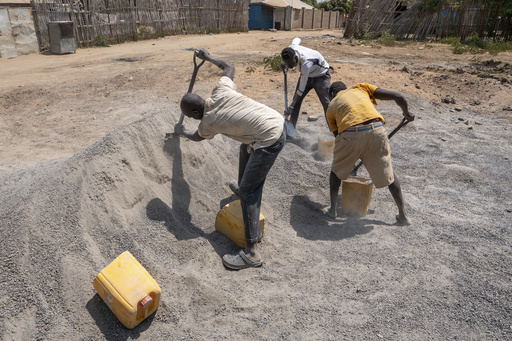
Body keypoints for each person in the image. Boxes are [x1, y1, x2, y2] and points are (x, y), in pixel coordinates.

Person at [175, 49, 285, 270]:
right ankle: (241, 186)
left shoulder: (208, 123)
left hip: (269, 139)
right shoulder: (220, 90)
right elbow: (229, 67)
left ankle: (251, 253)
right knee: (245, 148)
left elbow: (197, 136)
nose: (192, 120)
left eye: (190, 117)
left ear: (195, 115)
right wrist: (208, 58)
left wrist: (182, 132)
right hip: (274, 120)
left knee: (249, 191)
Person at [325, 81, 415, 225]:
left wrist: (350, 160)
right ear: (346, 88)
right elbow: (398, 96)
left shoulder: (331, 107)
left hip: (350, 134)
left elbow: (339, 137)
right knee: (389, 174)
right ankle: (403, 216)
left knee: (335, 171)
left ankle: (332, 210)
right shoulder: (361, 87)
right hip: (377, 130)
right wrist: (406, 113)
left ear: (331, 95)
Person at [281, 37, 331, 131]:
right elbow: (297, 39)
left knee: (326, 104)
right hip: (308, 76)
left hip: (321, 76)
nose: (290, 67)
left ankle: (333, 132)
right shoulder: (291, 49)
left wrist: (291, 106)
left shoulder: (306, 64)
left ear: (296, 58)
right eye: (288, 65)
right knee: (296, 103)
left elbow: (300, 90)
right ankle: (291, 131)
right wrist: (285, 64)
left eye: (292, 64)